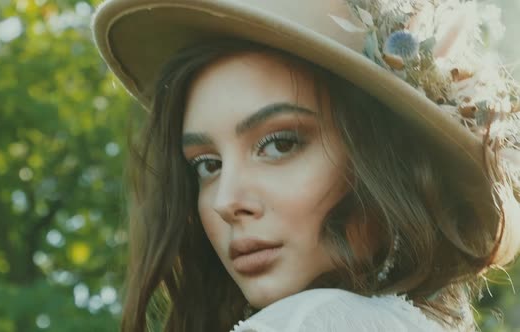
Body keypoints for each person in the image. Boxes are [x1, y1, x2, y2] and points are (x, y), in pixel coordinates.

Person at [91, 0, 520, 331]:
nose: (226, 201)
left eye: (279, 144)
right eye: (207, 165)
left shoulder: (310, 321)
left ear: (388, 159)